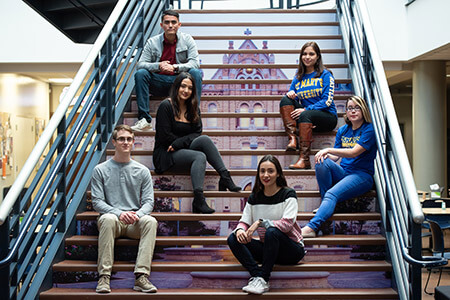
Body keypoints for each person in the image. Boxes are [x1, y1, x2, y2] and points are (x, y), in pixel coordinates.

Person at [153, 72, 241, 214]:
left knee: (204, 139)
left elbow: (197, 133)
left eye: (190, 88)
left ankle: (225, 177)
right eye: (183, 86)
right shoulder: (166, 106)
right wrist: (178, 144)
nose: (186, 91)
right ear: (176, 87)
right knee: (200, 156)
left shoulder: (193, 108)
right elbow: (164, 136)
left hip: (180, 148)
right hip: (165, 153)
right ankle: (198, 200)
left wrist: (179, 143)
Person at [91, 124, 158, 293]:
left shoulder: (142, 171)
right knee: (106, 218)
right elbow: (97, 202)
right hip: (112, 221)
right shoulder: (100, 170)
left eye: (129, 139)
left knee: (150, 221)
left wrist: (137, 215)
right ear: (114, 142)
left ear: (133, 142)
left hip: (134, 222)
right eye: (121, 139)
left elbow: (149, 202)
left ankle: (141, 277)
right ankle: (104, 277)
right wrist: (120, 213)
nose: (125, 142)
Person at [227, 155, 305, 295]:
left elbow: (286, 224)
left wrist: (259, 223)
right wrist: (240, 231)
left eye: (270, 171)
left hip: (291, 250)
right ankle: (257, 276)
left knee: (272, 232)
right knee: (233, 238)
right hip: (269, 250)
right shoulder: (254, 197)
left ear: (278, 173)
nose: (266, 175)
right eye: (262, 171)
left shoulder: (288, 194)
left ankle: (264, 278)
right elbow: (244, 221)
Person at [301, 96, 376, 238]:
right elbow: (335, 157)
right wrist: (323, 155)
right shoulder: (343, 130)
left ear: (363, 110)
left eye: (356, 107)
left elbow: (354, 152)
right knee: (321, 162)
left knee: (331, 194)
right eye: (349, 108)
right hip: (344, 173)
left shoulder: (369, 129)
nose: (353, 111)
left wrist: (328, 150)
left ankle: (312, 227)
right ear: (346, 112)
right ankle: (326, 205)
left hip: (362, 176)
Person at [132, 9, 202, 132]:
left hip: (180, 84)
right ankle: (144, 120)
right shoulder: (152, 42)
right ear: (161, 25)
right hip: (158, 82)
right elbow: (140, 64)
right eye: (167, 22)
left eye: (173, 22)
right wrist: (158, 65)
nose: (170, 25)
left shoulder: (187, 40)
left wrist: (175, 67)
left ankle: (192, 114)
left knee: (195, 73)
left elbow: (195, 63)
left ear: (179, 25)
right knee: (140, 74)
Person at [279, 41, 337, 169]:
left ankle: (304, 159)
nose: (307, 57)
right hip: (307, 118)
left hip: (327, 116)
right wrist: (291, 93)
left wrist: (306, 109)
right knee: (285, 100)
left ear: (317, 57)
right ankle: (292, 139)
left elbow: (327, 101)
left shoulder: (326, 75)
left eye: (311, 54)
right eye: (304, 54)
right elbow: (291, 94)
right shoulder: (298, 77)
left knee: (305, 114)